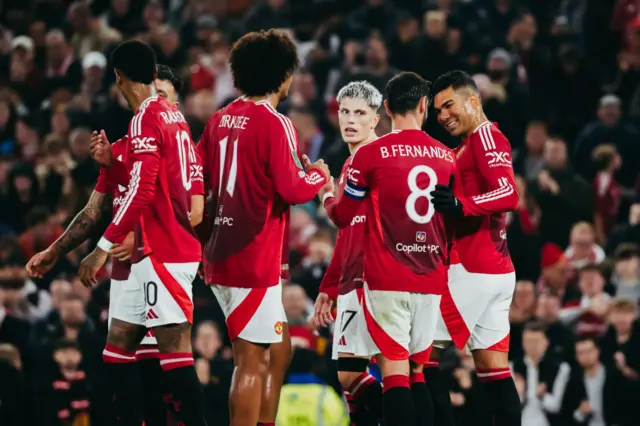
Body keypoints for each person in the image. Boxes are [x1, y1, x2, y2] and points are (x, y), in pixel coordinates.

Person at [25, 64, 203, 426]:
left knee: (161, 371)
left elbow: (192, 211)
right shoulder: (120, 150)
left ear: (175, 105)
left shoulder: (181, 147)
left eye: (165, 95)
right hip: (127, 271)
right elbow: (93, 211)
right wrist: (55, 250)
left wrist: (137, 237)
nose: (157, 101)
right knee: (120, 368)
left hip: (161, 258)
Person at [196, 29, 330, 426]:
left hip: (221, 248)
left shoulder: (220, 119)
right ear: (284, 74)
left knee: (280, 349)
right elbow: (291, 188)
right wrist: (317, 175)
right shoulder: (276, 123)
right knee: (252, 359)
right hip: (251, 253)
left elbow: (198, 184)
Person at [77, 40, 206, 426]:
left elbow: (144, 188)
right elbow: (153, 183)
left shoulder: (144, 119)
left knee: (174, 359)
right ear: (153, 73)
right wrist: (114, 165)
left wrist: (102, 246)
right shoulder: (173, 116)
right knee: (116, 354)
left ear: (117, 78)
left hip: (164, 250)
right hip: (151, 252)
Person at [321, 71, 456, 426]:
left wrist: (326, 196)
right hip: (430, 276)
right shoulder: (446, 156)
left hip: (386, 277)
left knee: (395, 374)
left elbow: (343, 216)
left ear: (383, 108)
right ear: (424, 106)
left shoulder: (371, 155)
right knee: (418, 373)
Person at [431, 70, 520, 426]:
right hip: (497, 271)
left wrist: (461, 205)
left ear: (474, 100)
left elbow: (509, 193)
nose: (443, 116)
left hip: (472, 267)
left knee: (415, 359)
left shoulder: (485, 135)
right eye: (437, 110)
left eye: (449, 105)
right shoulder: (466, 145)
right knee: (494, 372)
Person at [313, 80, 382, 426]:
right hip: (353, 280)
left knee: (359, 375)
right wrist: (329, 287)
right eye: (344, 112)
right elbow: (346, 233)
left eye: (360, 113)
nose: (350, 120)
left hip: (376, 280)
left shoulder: (377, 162)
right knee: (350, 379)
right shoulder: (351, 166)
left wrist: (326, 195)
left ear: (376, 119)